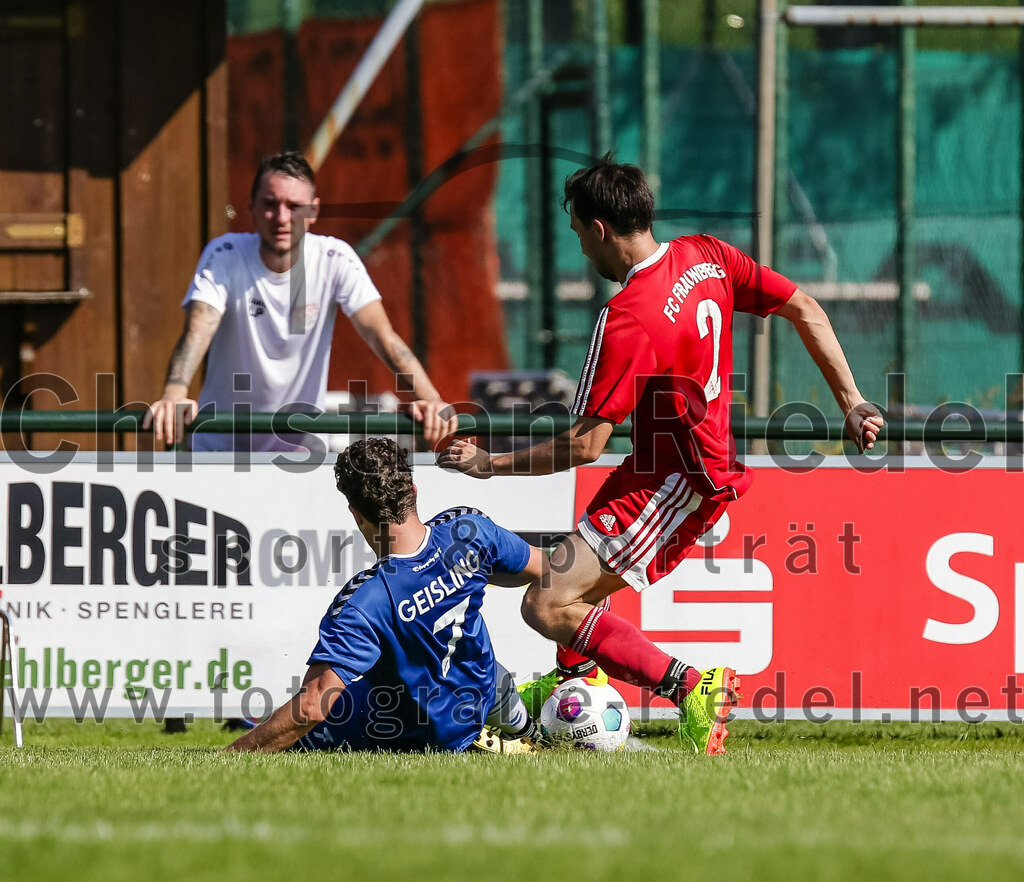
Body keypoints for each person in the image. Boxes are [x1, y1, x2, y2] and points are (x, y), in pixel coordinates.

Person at [440, 156, 885, 755]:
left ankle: (693, 688)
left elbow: (583, 443)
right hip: (660, 470)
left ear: (599, 229)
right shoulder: (708, 257)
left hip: (674, 483)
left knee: (546, 601)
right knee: (573, 583)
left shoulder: (627, 317)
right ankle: (575, 682)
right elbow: (806, 309)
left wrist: (491, 464)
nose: (580, 251)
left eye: (578, 234)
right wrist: (851, 400)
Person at [225, 438, 545, 754]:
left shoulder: (364, 601)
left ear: (356, 514)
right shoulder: (470, 530)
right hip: (479, 692)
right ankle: (527, 732)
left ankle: (489, 736)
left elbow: (311, 706)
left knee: (317, 714)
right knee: (476, 666)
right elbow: (547, 572)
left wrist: (229, 758)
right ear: (414, 492)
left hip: (423, 730)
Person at [144, 151, 458, 453]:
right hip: (219, 450)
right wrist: (174, 393)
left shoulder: (335, 258)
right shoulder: (225, 254)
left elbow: (381, 335)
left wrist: (431, 398)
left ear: (313, 211)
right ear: (251, 206)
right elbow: (198, 330)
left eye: (293, 206)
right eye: (270, 204)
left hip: (300, 456)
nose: (281, 217)